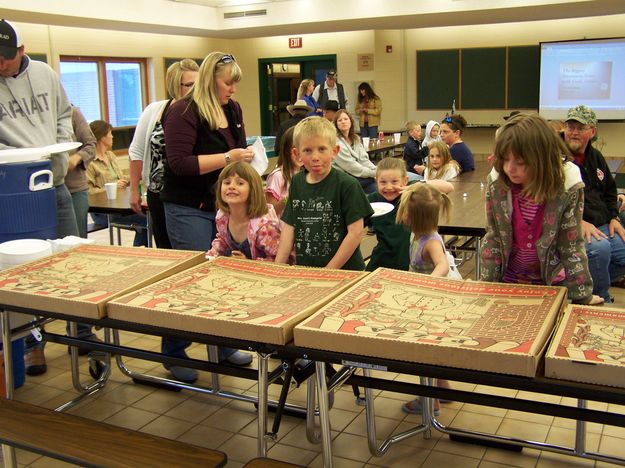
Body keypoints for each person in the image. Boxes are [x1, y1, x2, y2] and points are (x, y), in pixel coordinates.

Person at [161, 52, 255, 380]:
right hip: (188, 207)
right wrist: (228, 156)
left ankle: (223, 346)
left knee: (225, 280)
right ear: (210, 79)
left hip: (221, 208)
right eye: (228, 82)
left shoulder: (232, 108)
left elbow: (236, 158)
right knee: (192, 282)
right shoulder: (183, 111)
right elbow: (180, 163)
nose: (233, 88)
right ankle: (174, 350)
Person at [0, 19, 81, 375]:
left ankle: (85, 335)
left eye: (6, 57)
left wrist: (58, 144)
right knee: (23, 275)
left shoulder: (45, 73)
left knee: (74, 263)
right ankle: (33, 342)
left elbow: (65, 113)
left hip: (55, 184)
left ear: (21, 51)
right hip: (13, 190)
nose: (1, 64)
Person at [481, 112, 603, 307]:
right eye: (505, 160)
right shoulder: (498, 184)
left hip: (552, 283)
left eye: (520, 162)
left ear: (541, 160)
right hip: (509, 280)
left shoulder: (567, 186)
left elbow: (571, 245)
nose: (510, 169)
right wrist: (487, 287)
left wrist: (582, 295)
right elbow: (494, 238)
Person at [275, 117, 373, 270]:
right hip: (308, 271)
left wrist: (328, 271)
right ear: (296, 153)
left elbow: (355, 233)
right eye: (307, 150)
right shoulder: (297, 183)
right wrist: (277, 267)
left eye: (322, 149)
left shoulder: (347, 185)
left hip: (344, 272)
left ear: (334, 151)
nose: (315, 157)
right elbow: (289, 228)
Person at [396, 182, 454, 415]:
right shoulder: (419, 233)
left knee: (421, 351)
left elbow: (443, 266)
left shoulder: (430, 242)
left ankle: (430, 401)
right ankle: (443, 388)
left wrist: (427, 283)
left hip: (429, 301)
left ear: (412, 217)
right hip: (423, 297)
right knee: (430, 348)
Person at [128, 58, 199, 249]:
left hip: (190, 194)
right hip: (159, 192)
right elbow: (137, 151)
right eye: (190, 85)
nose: (196, 89)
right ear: (176, 86)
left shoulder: (202, 112)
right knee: (165, 246)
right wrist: (134, 189)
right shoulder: (155, 110)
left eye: (199, 84)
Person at [563, 105, 625, 303]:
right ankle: (599, 299)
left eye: (580, 128)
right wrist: (576, 221)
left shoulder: (595, 157)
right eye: (570, 126)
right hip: (572, 226)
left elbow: (609, 191)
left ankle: (581, 284)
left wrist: (614, 217)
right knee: (600, 250)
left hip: (602, 224)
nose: (573, 132)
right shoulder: (555, 157)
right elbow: (550, 200)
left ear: (592, 131)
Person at [366, 157, 454, 272]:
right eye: (383, 182)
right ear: (376, 181)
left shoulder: (412, 194)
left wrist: (412, 187)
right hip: (383, 259)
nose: (388, 187)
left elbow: (448, 187)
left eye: (394, 182)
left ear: (405, 180)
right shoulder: (373, 199)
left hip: (409, 260)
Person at [87, 120, 148, 247]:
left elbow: (121, 179)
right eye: (110, 134)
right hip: (105, 212)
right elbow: (88, 192)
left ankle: (140, 249)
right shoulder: (90, 162)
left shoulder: (110, 156)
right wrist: (111, 187)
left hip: (121, 205)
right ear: (102, 137)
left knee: (149, 216)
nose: (113, 136)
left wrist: (138, 175)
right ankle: (139, 252)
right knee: (147, 220)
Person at [206, 161, 281, 260]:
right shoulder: (222, 217)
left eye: (240, 183)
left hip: (260, 273)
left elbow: (279, 259)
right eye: (227, 182)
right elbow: (223, 240)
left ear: (253, 189)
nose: (231, 186)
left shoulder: (264, 225)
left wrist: (247, 263)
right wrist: (210, 257)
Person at [65, 106, 97, 239]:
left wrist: (76, 158)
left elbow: (90, 145)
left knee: (76, 238)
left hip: (74, 189)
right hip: (45, 188)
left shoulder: (73, 113)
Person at [332, 109, 377, 194]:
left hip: (358, 176)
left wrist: (376, 170)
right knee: (373, 180)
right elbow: (351, 167)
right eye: (340, 120)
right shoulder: (336, 142)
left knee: (376, 187)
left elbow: (364, 160)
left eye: (346, 119)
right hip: (343, 177)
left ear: (350, 121)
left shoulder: (356, 138)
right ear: (336, 124)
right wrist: (374, 174)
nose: (343, 122)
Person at [265, 127, 302, 217]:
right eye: (294, 149)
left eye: (305, 149)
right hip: (281, 228)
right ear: (286, 150)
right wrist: (287, 199)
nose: (300, 153)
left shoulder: (307, 174)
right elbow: (271, 212)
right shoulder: (277, 176)